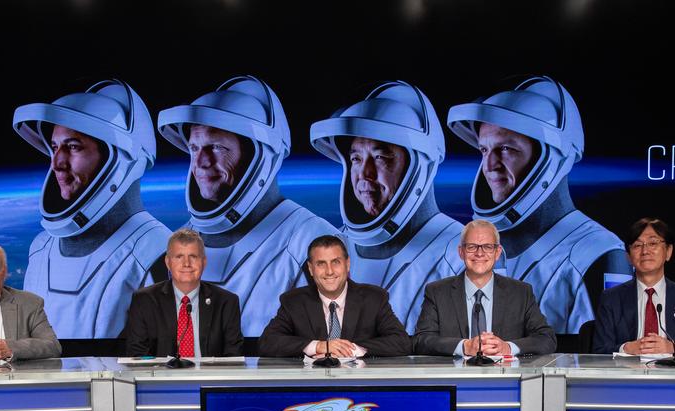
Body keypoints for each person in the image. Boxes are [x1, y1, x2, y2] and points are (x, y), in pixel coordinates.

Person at [447, 76, 630, 334]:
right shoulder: (479, 250)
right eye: (484, 151)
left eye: (507, 149)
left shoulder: (598, 253)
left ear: (552, 157)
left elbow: (608, 356)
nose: (489, 167)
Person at [157, 76, 337, 336]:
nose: (201, 162)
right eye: (195, 148)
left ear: (259, 156)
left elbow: (334, 346)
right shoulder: (178, 243)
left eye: (216, 147)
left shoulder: (310, 240)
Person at [12, 79, 170, 339]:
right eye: (54, 147)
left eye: (73, 147)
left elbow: (173, 367)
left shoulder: (157, 252)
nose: (57, 163)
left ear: (119, 160)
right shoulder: (41, 250)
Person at [310, 80, 465, 334]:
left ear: (419, 166)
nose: (365, 174)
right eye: (356, 158)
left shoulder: (457, 254)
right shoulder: (330, 251)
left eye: (381, 157)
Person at [414, 220, 556, 357]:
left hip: (506, 379)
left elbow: (546, 339)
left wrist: (507, 348)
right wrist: (464, 347)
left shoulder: (521, 292)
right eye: (471, 246)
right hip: (455, 379)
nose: (479, 253)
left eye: (487, 247)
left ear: (497, 252)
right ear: (461, 252)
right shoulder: (437, 292)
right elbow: (421, 341)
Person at [258, 235, 411, 358]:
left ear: (348, 264)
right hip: (312, 388)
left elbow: (401, 342)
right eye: (321, 264)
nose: (329, 271)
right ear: (311, 269)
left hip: (360, 386)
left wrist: (352, 350)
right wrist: (318, 346)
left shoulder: (374, 298)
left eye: (336, 262)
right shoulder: (294, 301)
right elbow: (267, 343)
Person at [592, 218, 675, 355]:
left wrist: (673, 349)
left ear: (668, 251)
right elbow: (599, 352)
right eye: (637, 245)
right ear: (628, 257)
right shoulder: (611, 299)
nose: (645, 251)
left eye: (653, 243)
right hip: (627, 374)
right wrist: (626, 349)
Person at [123, 229, 243, 357]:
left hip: (209, 376)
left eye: (193, 256)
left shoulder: (227, 302)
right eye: (179, 257)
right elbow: (137, 354)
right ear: (168, 262)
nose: (186, 264)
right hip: (161, 376)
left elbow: (233, 356)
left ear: (204, 262)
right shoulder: (144, 300)